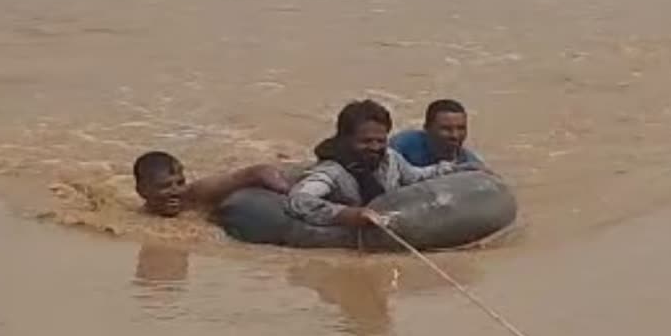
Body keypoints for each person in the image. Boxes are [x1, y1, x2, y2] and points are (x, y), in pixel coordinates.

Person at [286, 99, 480, 227]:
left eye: (380, 140)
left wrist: (454, 168)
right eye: (366, 141)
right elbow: (299, 200)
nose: (375, 147)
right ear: (346, 139)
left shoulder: (390, 158)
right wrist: (348, 215)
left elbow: (415, 176)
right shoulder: (332, 172)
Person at [132, 151, 298, 217]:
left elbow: (259, 171)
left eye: (180, 183)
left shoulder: (198, 195)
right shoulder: (136, 217)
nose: (176, 191)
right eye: (165, 186)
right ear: (141, 191)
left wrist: (288, 191)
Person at [389, 98, 485, 167]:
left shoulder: (470, 163)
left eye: (461, 128)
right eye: (446, 129)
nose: (455, 135)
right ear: (427, 128)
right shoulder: (399, 148)